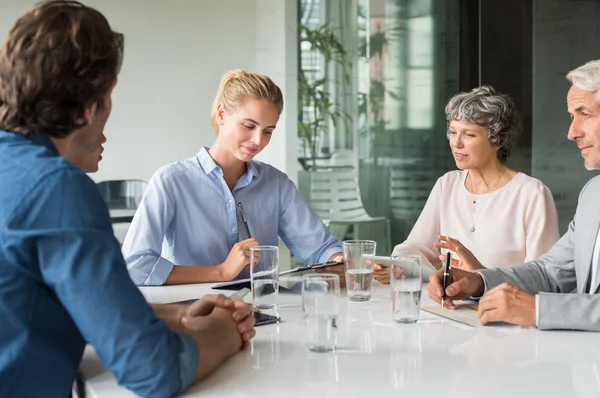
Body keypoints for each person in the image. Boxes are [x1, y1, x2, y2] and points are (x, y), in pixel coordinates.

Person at [0, 2, 255, 397]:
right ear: (90, 106)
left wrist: (174, 314)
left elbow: (36, 300)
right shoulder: (56, 188)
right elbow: (153, 371)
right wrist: (226, 331)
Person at [123, 70, 343, 286]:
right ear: (221, 115)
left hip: (262, 313)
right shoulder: (171, 181)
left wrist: (341, 263)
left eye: (268, 131)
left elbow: (321, 248)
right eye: (249, 126)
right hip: (195, 314)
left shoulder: (277, 184)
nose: (258, 140)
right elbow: (135, 266)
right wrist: (220, 272)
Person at [428, 59, 600, 332]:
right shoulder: (594, 195)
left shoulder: (531, 192)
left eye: (584, 114)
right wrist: (478, 281)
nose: (571, 133)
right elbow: (550, 272)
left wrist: (539, 309)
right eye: (571, 117)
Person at [372, 86, 560, 284]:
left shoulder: (531, 193)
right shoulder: (447, 184)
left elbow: (541, 278)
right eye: (453, 132)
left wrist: (479, 279)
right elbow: (417, 248)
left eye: (469, 135)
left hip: (505, 310)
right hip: (450, 307)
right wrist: (397, 266)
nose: (456, 143)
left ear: (498, 139)